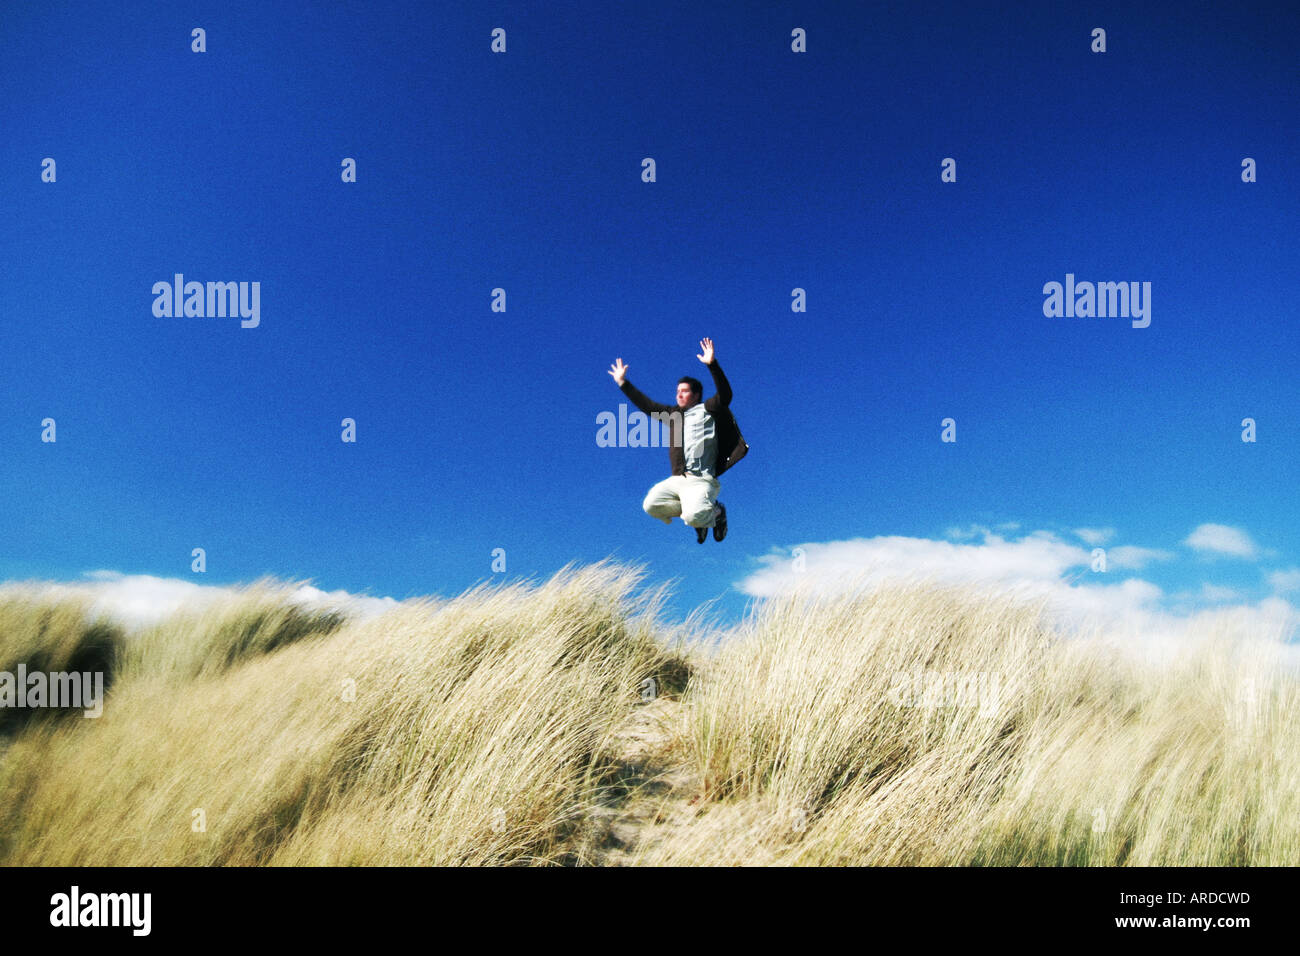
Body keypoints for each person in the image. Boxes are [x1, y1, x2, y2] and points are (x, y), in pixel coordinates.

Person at [607, 337, 738, 543]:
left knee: (693, 515)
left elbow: (726, 395)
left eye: (684, 391)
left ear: (696, 395)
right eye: (677, 392)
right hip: (678, 480)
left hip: (701, 479)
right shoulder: (673, 415)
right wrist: (623, 383)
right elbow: (648, 406)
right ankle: (699, 517)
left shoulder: (708, 409)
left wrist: (712, 365)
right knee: (651, 505)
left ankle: (716, 514)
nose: (679, 395)